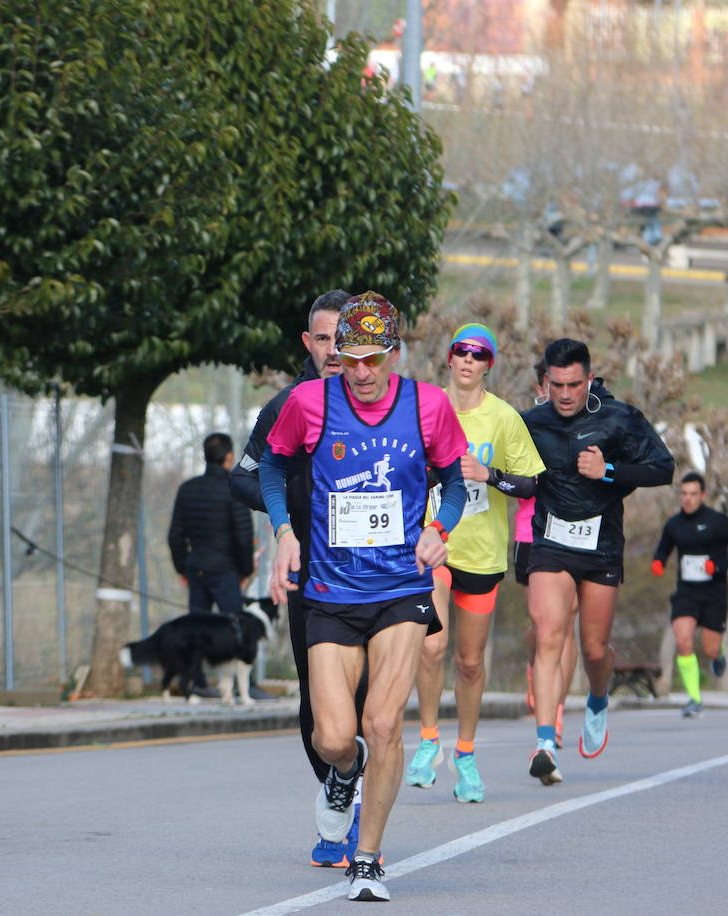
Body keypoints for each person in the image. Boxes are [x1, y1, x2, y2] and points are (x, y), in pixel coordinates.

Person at [261, 292, 467, 903]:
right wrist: (282, 531)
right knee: (332, 736)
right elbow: (272, 468)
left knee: (382, 724)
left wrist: (440, 528)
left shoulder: (427, 406)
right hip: (329, 591)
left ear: (393, 354)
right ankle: (342, 776)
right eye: (350, 359)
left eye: (373, 359)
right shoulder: (308, 403)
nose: (361, 372)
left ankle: (369, 858)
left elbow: (454, 480)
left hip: (401, 588)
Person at [230, 288, 372, 867]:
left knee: (366, 700)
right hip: (311, 570)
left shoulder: (385, 404)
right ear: (307, 343)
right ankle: (339, 783)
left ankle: (356, 809)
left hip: (376, 573)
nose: (334, 350)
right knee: (319, 700)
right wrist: (293, 510)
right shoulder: (286, 406)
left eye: (345, 338)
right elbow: (244, 479)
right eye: (323, 338)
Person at [522, 338, 674, 786]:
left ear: (589, 379)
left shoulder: (618, 418)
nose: (565, 394)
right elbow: (513, 471)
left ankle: (598, 696)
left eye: (573, 384)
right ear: (545, 381)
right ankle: (546, 742)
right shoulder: (530, 423)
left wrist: (608, 471)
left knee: (593, 649)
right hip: (550, 543)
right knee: (549, 633)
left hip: (602, 547)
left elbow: (662, 468)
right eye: (556, 385)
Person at [405, 323, 544, 803]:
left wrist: (491, 475)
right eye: (460, 351)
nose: (467, 359)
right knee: (430, 647)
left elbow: (531, 484)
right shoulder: (424, 406)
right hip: (434, 545)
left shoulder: (503, 418)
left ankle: (464, 752)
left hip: (483, 556)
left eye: (478, 353)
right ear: (449, 359)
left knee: (468, 662)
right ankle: (427, 740)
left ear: (489, 365)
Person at [167, 432, 260, 698]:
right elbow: (243, 536)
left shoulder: (188, 488)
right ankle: (246, 686)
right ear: (229, 457)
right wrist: (245, 569)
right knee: (236, 627)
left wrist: (182, 568)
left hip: (196, 568)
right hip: (226, 569)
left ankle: (196, 683)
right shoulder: (233, 488)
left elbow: (175, 535)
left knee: (196, 626)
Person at [651, 472, 728, 718]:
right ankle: (694, 699)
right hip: (686, 592)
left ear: (703, 495)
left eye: (693, 494)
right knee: (683, 640)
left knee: (710, 649)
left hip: (714, 592)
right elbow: (663, 549)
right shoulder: (674, 524)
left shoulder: (717, 521)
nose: (687, 499)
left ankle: (719, 655)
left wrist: (718, 566)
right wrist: (658, 562)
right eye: (684, 494)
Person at [517, 357, 578, 748]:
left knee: (564, 623)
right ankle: (536, 668)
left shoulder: (586, 424)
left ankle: (554, 709)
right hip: (531, 532)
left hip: (575, 535)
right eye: (549, 385)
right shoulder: (525, 425)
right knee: (543, 627)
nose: (555, 392)